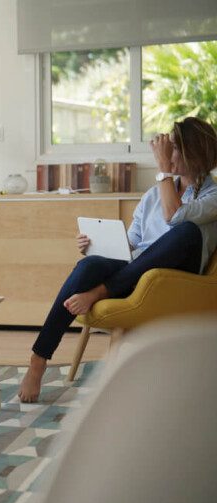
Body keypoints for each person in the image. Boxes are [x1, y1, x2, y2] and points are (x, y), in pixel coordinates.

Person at [19, 116, 217, 403]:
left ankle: (101, 291)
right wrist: (94, 245)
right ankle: (38, 359)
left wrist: (161, 171)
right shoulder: (153, 195)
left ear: (194, 153)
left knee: (186, 232)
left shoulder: (214, 195)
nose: (167, 155)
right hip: (136, 273)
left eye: (173, 149)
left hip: (177, 279)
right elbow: (131, 244)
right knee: (90, 265)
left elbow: (174, 215)